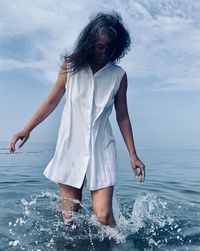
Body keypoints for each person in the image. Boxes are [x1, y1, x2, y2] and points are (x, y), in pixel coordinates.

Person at [9, 12, 145, 227]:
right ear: (90, 42)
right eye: (100, 46)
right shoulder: (70, 67)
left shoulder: (119, 75)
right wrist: (27, 129)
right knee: (70, 217)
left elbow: (123, 116)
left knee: (103, 217)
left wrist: (133, 155)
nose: (104, 52)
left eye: (110, 47)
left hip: (101, 147)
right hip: (70, 145)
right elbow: (51, 102)